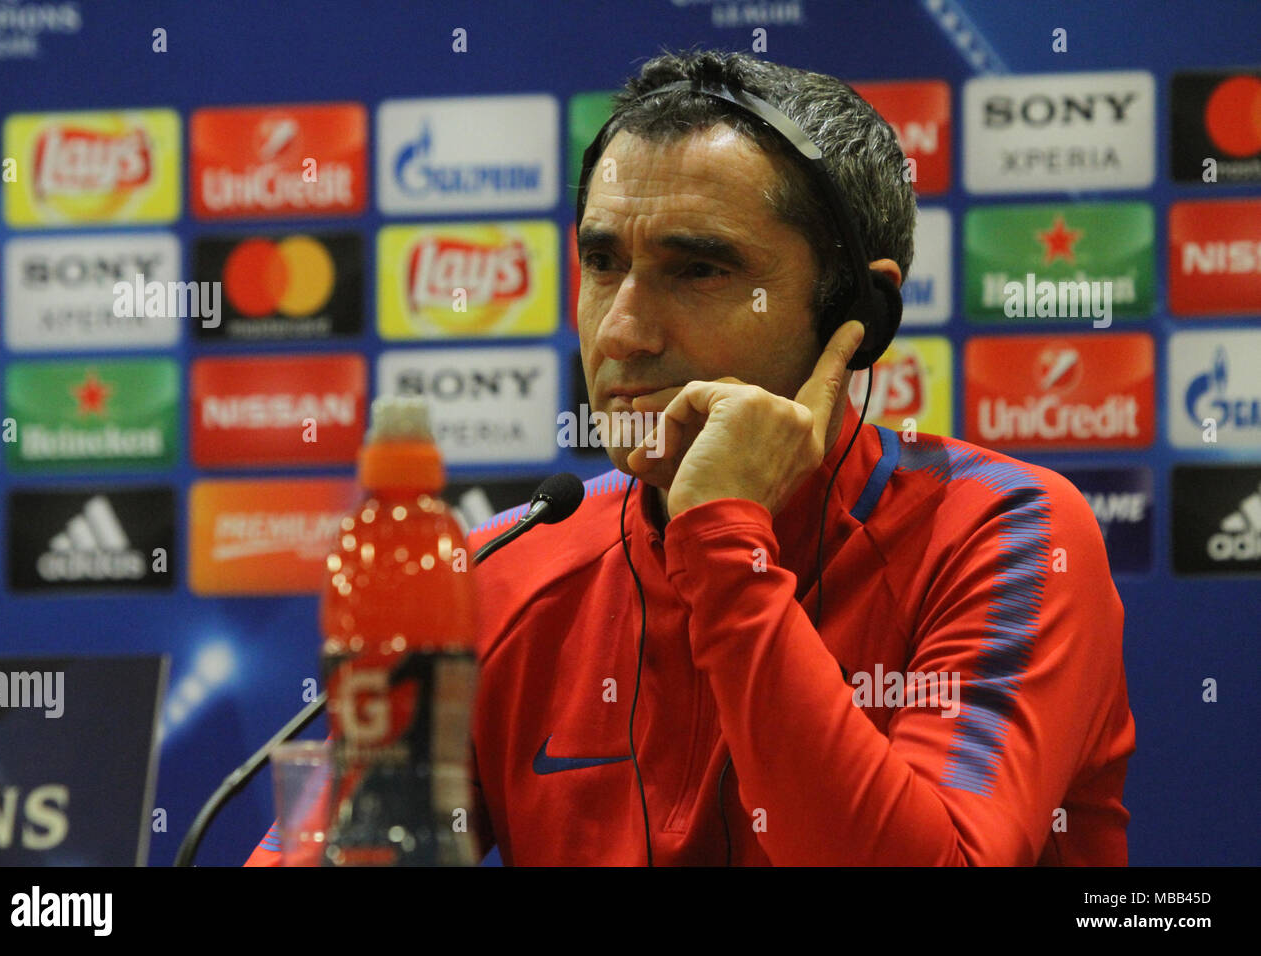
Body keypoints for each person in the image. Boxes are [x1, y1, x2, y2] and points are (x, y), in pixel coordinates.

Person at [246, 48, 1134, 867]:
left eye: (698, 271)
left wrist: (723, 541)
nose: (622, 332)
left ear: (856, 314)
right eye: (603, 263)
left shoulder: (1004, 534)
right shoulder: (505, 573)